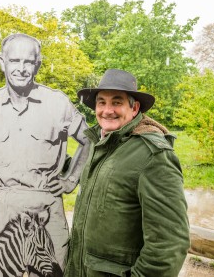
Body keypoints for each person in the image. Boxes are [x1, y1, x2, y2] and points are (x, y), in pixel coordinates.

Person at [0, 33, 90, 273]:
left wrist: (71, 180)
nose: (21, 68)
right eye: (14, 61)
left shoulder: (58, 103)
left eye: (28, 62)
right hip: (2, 203)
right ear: (2, 62)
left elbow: (89, 140)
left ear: (37, 65)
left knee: (56, 271)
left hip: (46, 206)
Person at [64, 69, 190, 277]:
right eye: (101, 102)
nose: (107, 110)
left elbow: (169, 244)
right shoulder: (101, 143)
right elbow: (91, 179)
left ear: (134, 108)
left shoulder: (153, 155)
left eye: (116, 102)